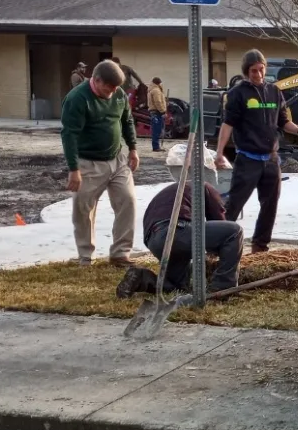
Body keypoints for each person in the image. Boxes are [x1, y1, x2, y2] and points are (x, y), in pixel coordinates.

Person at [214, 50, 298, 253]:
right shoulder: (237, 94)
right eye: (253, 70)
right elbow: (228, 124)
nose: (258, 74)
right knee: (234, 203)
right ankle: (217, 244)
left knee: (270, 204)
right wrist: (220, 152)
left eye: (261, 69)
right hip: (247, 159)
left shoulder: (274, 92)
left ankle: (260, 245)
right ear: (246, 71)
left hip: (271, 160)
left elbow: (284, 122)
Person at [61, 60, 140, 267]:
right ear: (96, 80)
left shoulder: (119, 94)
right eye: (110, 87)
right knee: (84, 209)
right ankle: (86, 256)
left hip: (117, 158)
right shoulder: (77, 99)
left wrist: (132, 148)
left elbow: (127, 120)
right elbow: (69, 135)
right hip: (88, 162)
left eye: (117, 88)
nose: (113, 92)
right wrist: (73, 169)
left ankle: (120, 254)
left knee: (128, 201)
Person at [117, 180, 244, 297]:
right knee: (234, 232)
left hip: (154, 240)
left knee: (176, 287)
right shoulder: (206, 187)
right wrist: (223, 255)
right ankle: (223, 288)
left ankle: (141, 277)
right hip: (176, 231)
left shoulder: (178, 190)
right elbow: (220, 222)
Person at [147, 77, 167, 152]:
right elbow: (158, 102)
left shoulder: (152, 89)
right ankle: (156, 147)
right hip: (157, 112)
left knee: (156, 129)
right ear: (159, 83)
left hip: (154, 112)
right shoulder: (156, 91)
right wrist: (163, 111)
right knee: (157, 129)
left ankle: (156, 146)